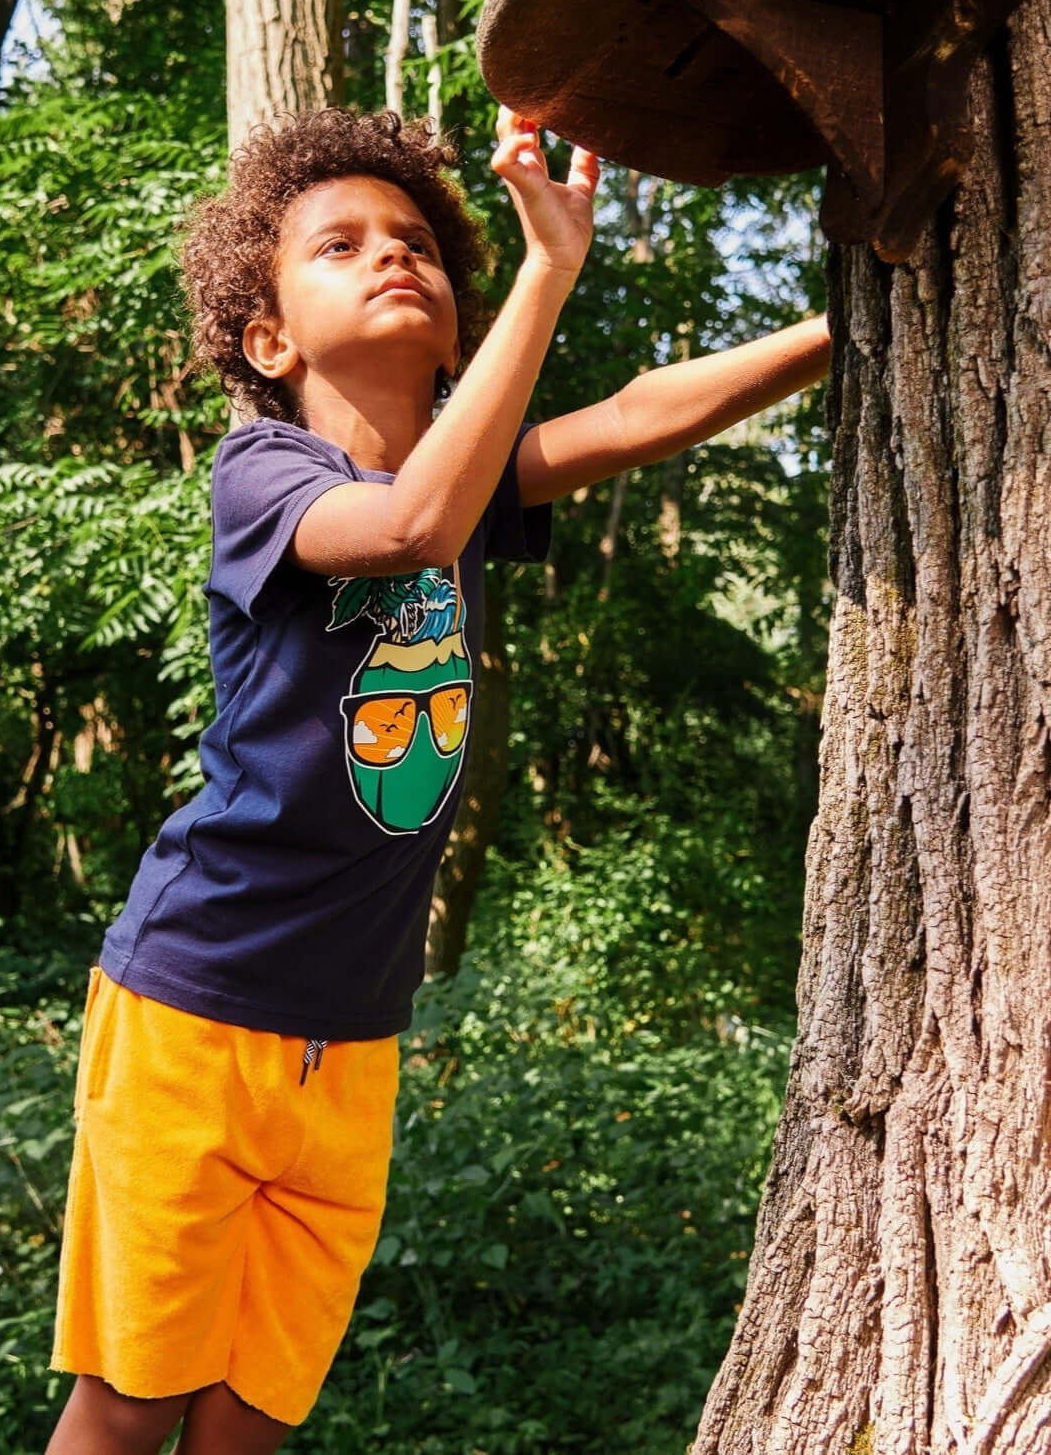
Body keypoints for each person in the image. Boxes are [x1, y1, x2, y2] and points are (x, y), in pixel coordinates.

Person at [45, 105, 831, 1455]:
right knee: (130, 1406)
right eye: (339, 244)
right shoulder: (266, 473)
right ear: (271, 338)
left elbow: (636, 417)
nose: (390, 255)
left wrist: (844, 329)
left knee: (249, 1419)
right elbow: (408, 527)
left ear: (455, 332)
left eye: (413, 241)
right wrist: (547, 268)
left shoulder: (465, 488)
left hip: (351, 1042)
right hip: (195, 1010)